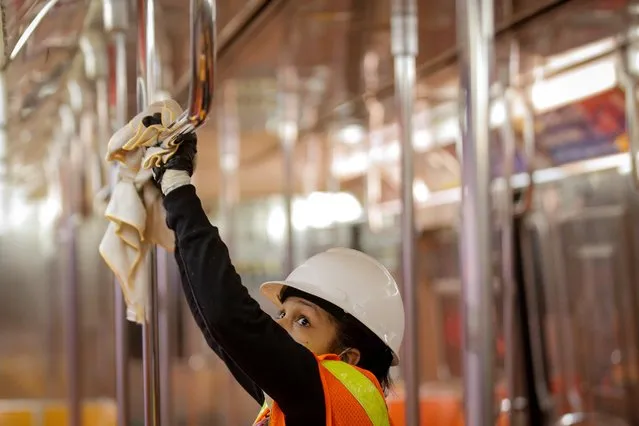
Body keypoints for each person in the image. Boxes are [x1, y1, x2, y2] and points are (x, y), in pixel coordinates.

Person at [144, 114, 405, 425]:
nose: (278, 327)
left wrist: (178, 187)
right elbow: (220, 332)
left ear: (348, 359)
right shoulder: (310, 403)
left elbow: (228, 318)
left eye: (303, 321)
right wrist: (173, 212)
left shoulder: (328, 395)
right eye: (283, 314)